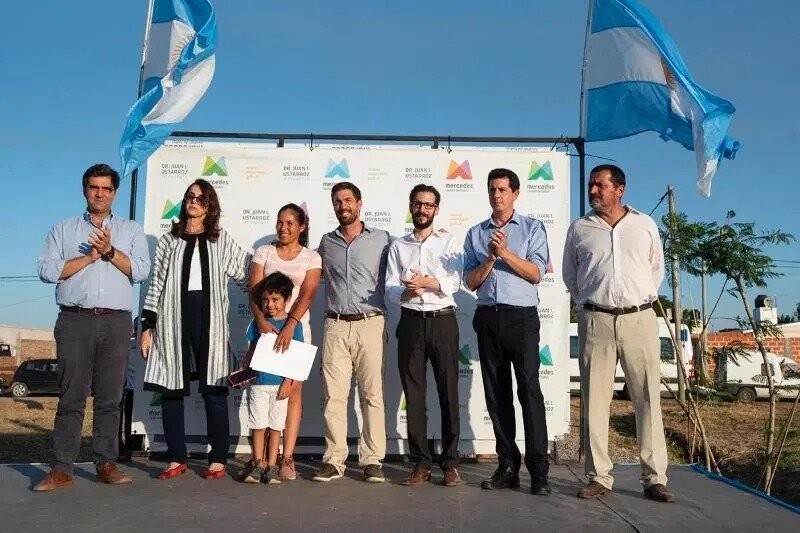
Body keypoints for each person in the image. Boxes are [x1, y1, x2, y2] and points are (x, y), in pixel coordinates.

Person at [34, 163, 151, 491]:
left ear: (115, 193)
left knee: (110, 398)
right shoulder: (63, 229)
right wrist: (88, 258)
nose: (100, 194)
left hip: (116, 322)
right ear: (84, 190)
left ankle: (106, 464)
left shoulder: (131, 230)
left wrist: (110, 252)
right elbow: (47, 271)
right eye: (93, 187)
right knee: (71, 396)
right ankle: (62, 468)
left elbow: (141, 271)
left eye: (106, 188)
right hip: (75, 320)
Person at [562, 164, 674, 503]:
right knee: (595, 400)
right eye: (591, 185)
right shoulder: (579, 229)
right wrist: (592, 303)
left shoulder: (644, 224)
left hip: (639, 319)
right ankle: (599, 476)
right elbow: (570, 275)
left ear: (619, 189)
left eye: (600, 185)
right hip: (596, 321)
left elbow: (656, 270)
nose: (593, 191)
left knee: (647, 399)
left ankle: (654, 478)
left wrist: (634, 300)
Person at [139, 179, 250, 481]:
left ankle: (218, 458)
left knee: (214, 389)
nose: (193, 201)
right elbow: (156, 283)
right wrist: (147, 325)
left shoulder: (220, 239)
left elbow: (247, 274)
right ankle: (176, 457)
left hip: (211, 321)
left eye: (200, 198)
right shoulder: (169, 240)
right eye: (190, 196)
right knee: (171, 389)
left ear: (209, 205)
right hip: (173, 320)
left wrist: (272, 287)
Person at [463, 168, 551, 496]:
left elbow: (536, 273)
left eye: (502, 189)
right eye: (492, 189)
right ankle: (508, 466)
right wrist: (489, 258)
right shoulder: (475, 234)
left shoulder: (532, 228)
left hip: (521, 319)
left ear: (515, 193)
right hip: (488, 317)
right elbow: (470, 282)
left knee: (529, 392)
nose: (496, 195)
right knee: (497, 395)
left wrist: (505, 254)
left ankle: (539, 471)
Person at [312, 181, 391, 483]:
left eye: (347, 200)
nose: (342, 206)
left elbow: (406, 261)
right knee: (333, 397)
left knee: (372, 395)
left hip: (371, 323)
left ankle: (372, 460)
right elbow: (307, 269)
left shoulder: (382, 239)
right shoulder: (326, 242)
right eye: (337, 201)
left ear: (359, 203)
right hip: (335, 324)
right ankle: (334, 460)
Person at [385, 184, 463, 487]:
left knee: (448, 392)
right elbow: (390, 288)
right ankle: (420, 462)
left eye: (429, 205)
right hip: (411, 322)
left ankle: (450, 463)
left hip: (443, 321)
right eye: (418, 204)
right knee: (414, 395)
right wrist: (406, 291)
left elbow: (455, 282)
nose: (423, 209)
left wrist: (427, 283)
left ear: (436, 210)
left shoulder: (449, 242)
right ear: (411, 206)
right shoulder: (398, 246)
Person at [248, 203, 322, 481]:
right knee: (263, 390)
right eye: (280, 222)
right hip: (266, 332)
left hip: (297, 332)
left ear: (301, 227)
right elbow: (254, 290)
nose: (284, 227)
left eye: (290, 223)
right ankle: (261, 459)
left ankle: (287, 457)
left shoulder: (312, 257)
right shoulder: (264, 252)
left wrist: (290, 325)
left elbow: (308, 293)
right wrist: (261, 322)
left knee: (291, 392)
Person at [239, 272, 304, 484]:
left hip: (280, 387)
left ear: (287, 299)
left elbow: (296, 358)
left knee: (276, 426)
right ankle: (258, 463)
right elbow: (251, 351)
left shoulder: (295, 327)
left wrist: (288, 382)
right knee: (258, 425)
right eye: (266, 300)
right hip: (258, 385)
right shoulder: (257, 324)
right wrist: (242, 371)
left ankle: (273, 466)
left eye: (275, 299)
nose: (270, 304)